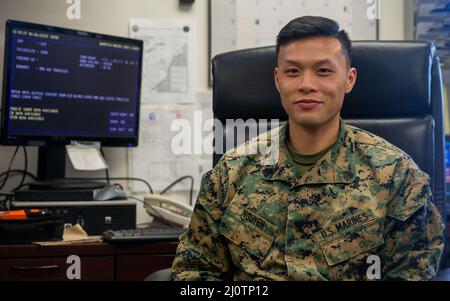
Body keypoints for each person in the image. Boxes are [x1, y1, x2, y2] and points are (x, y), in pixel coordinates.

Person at [171, 16, 445, 280]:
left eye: (323, 71)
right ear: (278, 79)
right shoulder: (230, 175)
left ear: (349, 79)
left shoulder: (396, 176)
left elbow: (412, 273)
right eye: (293, 71)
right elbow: (195, 270)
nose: (306, 85)